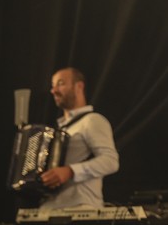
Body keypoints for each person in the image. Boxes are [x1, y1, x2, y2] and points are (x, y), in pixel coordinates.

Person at [38, 67, 119, 210]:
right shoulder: (58, 130)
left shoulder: (92, 120)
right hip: (48, 208)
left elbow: (110, 161)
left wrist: (71, 171)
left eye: (61, 83)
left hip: (80, 207)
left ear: (79, 86)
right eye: (53, 86)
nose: (54, 90)